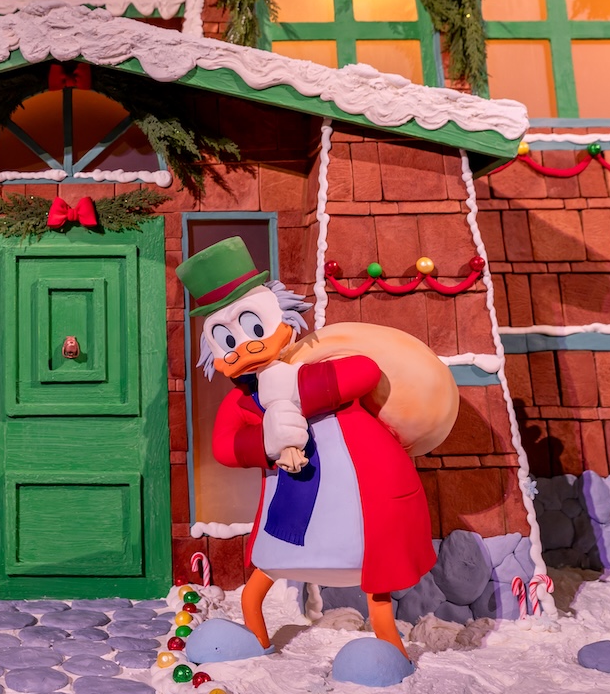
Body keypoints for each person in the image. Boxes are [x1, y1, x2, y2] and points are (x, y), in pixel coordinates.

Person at [176, 236, 433, 656]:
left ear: (280, 316)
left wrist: (294, 387)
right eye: (229, 341)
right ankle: (256, 633)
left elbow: (365, 372)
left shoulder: (315, 364)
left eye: (255, 328)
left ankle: (388, 644)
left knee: (375, 578)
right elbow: (224, 446)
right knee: (262, 577)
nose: (249, 346)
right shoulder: (242, 400)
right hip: (292, 505)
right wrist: (266, 439)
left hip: (361, 495)